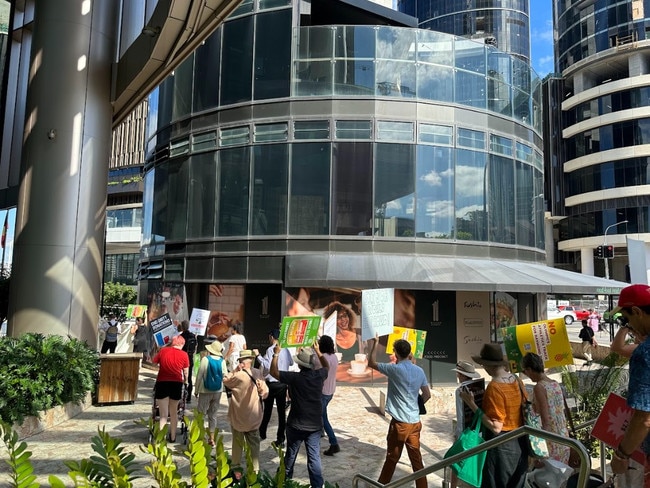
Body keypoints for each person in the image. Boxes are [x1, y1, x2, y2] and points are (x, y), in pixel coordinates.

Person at [460, 343, 528, 488]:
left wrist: (471, 404)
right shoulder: (517, 380)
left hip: (501, 446)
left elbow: (496, 427)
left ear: (487, 365)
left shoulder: (494, 387)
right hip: (520, 441)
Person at [368, 337, 431, 488]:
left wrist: (376, 343)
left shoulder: (394, 370)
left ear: (395, 354)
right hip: (415, 421)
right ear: (410, 353)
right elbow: (427, 395)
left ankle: (382, 485)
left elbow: (371, 363)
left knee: (392, 457)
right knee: (416, 459)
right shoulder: (419, 371)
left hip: (400, 423)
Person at [270, 341, 329, 488]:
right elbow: (327, 366)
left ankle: (284, 481)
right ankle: (317, 485)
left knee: (290, 455)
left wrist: (276, 353)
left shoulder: (295, 378)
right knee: (314, 458)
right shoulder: (319, 375)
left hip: (295, 423)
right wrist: (318, 352)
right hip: (314, 424)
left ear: (300, 365)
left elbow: (273, 372)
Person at [610, 284, 650, 487]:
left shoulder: (644, 353)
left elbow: (644, 418)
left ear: (637, 312)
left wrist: (622, 455)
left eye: (628, 318)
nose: (630, 324)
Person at [223, 349, 268, 473]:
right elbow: (265, 393)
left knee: (237, 443)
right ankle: (255, 469)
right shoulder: (258, 373)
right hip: (254, 415)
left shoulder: (238, 375)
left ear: (241, 362)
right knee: (254, 444)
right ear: (252, 360)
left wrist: (235, 370)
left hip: (238, 415)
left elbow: (226, 380)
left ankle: (235, 468)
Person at [521, 352, 570, 464]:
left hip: (551, 440)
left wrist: (541, 452)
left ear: (530, 369)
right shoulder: (555, 384)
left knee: (549, 478)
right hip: (563, 436)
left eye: (525, 371)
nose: (525, 374)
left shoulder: (540, 387)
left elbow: (545, 420)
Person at [255, 328, 294, 449]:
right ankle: (281, 438)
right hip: (283, 383)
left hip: (272, 383)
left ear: (272, 337)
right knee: (281, 413)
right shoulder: (285, 349)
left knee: (267, 410)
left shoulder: (270, 350)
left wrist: (258, 356)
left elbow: (267, 365)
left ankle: (262, 433)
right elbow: (291, 363)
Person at [152, 335, 190, 442]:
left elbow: (154, 363)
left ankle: (161, 437)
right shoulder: (184, 355)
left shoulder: (163, 351)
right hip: (176, 383)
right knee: (174, 412)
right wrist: (185, 382)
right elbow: (186, 372)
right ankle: (172, 437)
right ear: (182, 344)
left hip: (162, 382)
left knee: (163, 414)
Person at [195, 338, 228, 446]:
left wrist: (196, 390)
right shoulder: (222, 361)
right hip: (217, 391)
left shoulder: (206, 359)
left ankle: (201, 437)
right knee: (213, 415)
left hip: (205, 390)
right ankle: (212, 438)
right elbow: (225, 375)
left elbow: (199, 376)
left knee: (201, 413)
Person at [315, 335, 340, 456]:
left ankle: (333, 442)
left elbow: (313, 367)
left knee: (323, 417)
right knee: (321, 414)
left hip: (322, 391)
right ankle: (320, 432)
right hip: (330, 391)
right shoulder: (334, 357)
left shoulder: (322, 358)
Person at [179, 320, 197, 402]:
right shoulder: (193, 336)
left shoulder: (181, 336)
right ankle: (189, 396)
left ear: (182, 327)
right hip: (190, 358)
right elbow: (196, 347)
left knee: (180, 377)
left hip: (182, 359)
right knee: (189, 378)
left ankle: (180, 395)